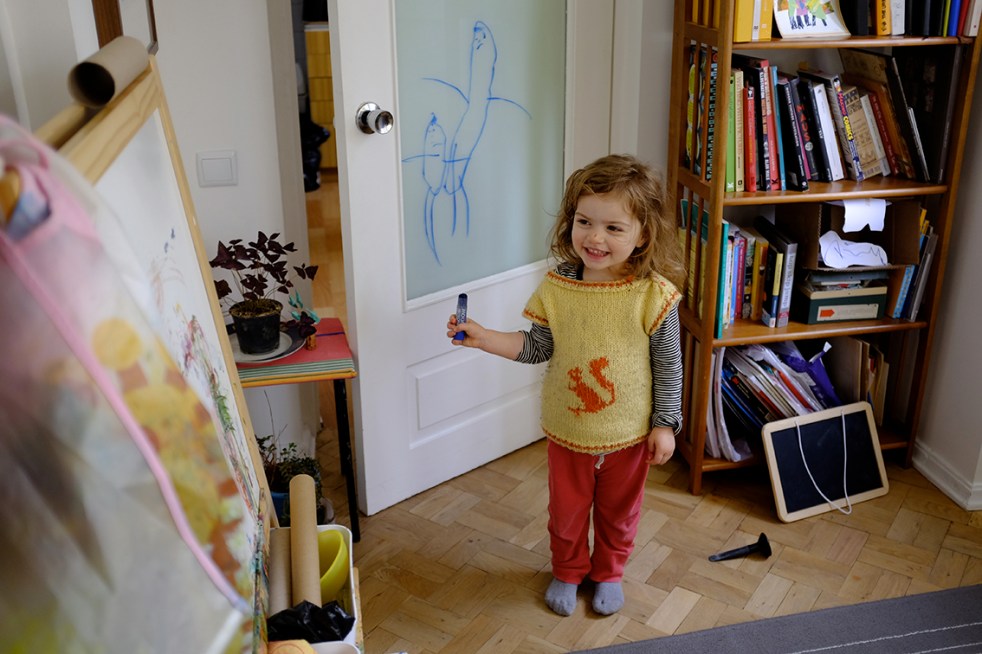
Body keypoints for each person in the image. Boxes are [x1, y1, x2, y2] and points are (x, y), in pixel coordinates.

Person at [446, 154, 686, 616]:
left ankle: (609, 571)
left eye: (614, 228)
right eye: (584, 222)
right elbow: (536, 347)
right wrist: (484, 338)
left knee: (619, 512)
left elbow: (669, 366)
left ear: (644, 234)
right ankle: (568, 568)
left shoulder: (654, 295)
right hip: (568, 430)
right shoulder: (557, 286)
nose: (595, 238)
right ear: (569, 222)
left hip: (630, 435)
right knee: (567, 512)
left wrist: (665, 423)